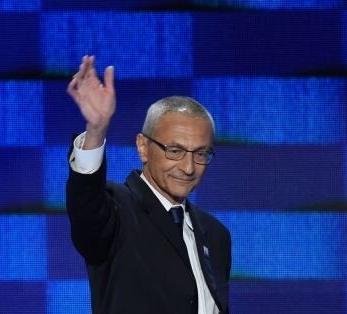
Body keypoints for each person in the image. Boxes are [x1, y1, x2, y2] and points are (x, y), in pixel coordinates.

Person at [65, 55, 231, 314]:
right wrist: (97, 130)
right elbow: (86, 204)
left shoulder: (217, 235)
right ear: (143, 147)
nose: (188, 168)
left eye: (201, 154)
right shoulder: (116, 210)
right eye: (175, 151)